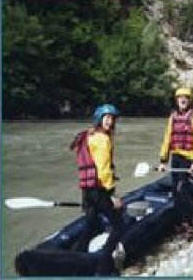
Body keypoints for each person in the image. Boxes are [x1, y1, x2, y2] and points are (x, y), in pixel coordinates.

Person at [70, 104, 124, 275]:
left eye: (112, 118)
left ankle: (75, 260)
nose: (110, 121)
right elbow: (103, 169)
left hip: (88, 190)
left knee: (90, 224)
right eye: (106, 117)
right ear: (99, 119)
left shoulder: (89, 135)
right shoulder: (102, 139)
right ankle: (103, 264)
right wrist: (112, 195)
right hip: (99, 190)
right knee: (119, 225)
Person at [158, 88, 193, 233]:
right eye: (180, 98)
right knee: (176, 190)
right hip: (176, 157)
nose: (182, 100)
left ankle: (188, 223)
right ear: (176, 100)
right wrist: (163, 159)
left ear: (189, 100)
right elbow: (167, 137)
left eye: (185, 98)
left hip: (188, 157)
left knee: (183, 189)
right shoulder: (173, 116)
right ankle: (178, 220)